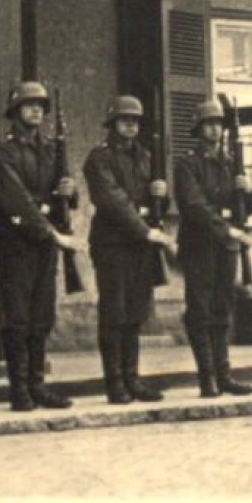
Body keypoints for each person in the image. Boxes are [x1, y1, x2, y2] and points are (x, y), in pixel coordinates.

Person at [0, 82, 82, 412]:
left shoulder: (50, 148)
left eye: (41, 106)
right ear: (15, 111)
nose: (36, 110)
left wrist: (69, 191)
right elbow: (16, 200)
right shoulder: (7, 151)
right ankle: (19, 390)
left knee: (41, 316)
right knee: (17, 318)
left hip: (45, 243)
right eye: (29, 105)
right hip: (16, 242)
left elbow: (66, 199)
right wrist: (52, 233)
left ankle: (37, 384)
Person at [84, 95, 177, 405]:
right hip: (113, 243)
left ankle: (132, 378)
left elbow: (156, 204)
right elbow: (112, 201)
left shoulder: (147, 157)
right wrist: (145, 231)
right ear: (112, 123)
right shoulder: (100, 158)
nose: (131, 124)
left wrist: (162, 195)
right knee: (114, 314)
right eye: (125, 119)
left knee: (135, 315)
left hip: (140, 244)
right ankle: (115, 382)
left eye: (135, 120)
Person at [174, 99, 252, 398]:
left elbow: (245, 209)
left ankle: (224, 375)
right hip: (199, 246)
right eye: (209, 124)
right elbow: (194, 205)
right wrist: (228, 229)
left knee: (223, 308)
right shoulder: (187, 163)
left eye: (218, 124)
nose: (214, 129)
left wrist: (247, 191)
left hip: (226, 247)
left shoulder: (228, 163)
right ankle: (206, 377)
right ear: (198, 129)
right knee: (200, 310)